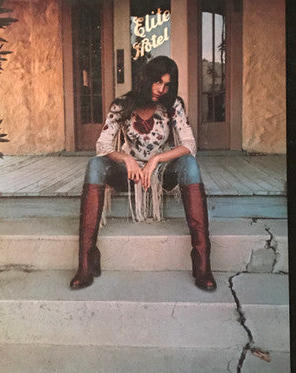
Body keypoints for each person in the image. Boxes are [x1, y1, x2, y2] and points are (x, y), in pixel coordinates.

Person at [70, 56, 217, 292]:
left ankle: (202, 260)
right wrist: (126, 158)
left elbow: (189, 144)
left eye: (167, 84)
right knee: (95, 165)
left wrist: (157, 159)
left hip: (161, 172)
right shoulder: (121, 105)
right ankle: (86, 260)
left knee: (189, 164)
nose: (161, 89)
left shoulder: (173, 105)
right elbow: (102, 144)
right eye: (158, 82)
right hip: (129, 172)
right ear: (146, 79)